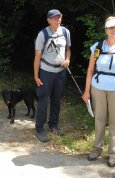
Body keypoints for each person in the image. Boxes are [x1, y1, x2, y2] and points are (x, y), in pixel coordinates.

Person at [82, 16, 115, 167]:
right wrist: (86, 92)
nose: (114, 30)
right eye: (111, 27)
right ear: (106, 30)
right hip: (98, 88)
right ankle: (96, 149)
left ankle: (113, 154)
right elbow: (90, 70)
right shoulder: (97, 47)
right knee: (99, 119)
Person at [34, 9, 71, 142]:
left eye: (59, 17)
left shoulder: (65, 32)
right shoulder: (43, 34)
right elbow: (37, 56)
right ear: (49, 20)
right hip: (46, 72)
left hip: (60, 72)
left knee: (56, 99)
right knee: (43, 100)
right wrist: (36, 75)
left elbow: (68, 49)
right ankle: (39, 128)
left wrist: (68, 59)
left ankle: (53, 125)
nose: (58, 20)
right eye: (54, 18)